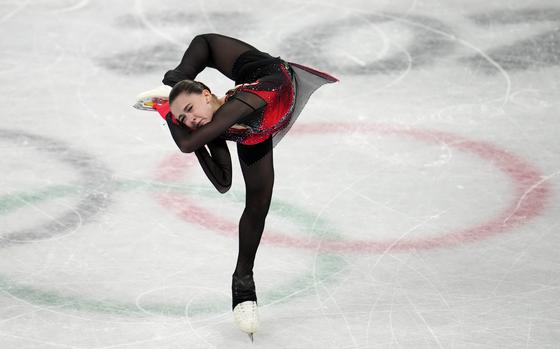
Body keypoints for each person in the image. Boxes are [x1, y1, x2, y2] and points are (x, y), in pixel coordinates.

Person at [134, 33, 337, 341]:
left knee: (206, 49)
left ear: (205, 94)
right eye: (182, 117)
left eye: (188, 108)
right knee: (258, 205)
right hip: (254, 133)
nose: (188, 119)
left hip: (269, 79)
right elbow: (221, 180)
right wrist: (175, 116)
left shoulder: (241, 105)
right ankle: (243, 284)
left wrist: (168, 100)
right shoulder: (216, 122)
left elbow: (188, 143)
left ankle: (173, 82)